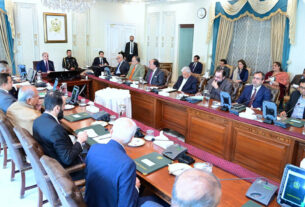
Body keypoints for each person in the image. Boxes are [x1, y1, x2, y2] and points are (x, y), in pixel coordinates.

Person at [85, 117, 140, 207]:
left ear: (111, 131)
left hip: (89, 202)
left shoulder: (94, 148)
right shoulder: (128, 164)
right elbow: (126, 205)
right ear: (131, 139)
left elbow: (88, 177)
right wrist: (135, 188)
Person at [33, 91, 88, 180]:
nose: (64, 108)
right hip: (67, 172)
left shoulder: (37, 121)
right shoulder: (56, 130)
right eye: (63, 106)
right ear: (57, 108)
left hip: (52, 161)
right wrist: (80, 141)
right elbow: (67, 159)